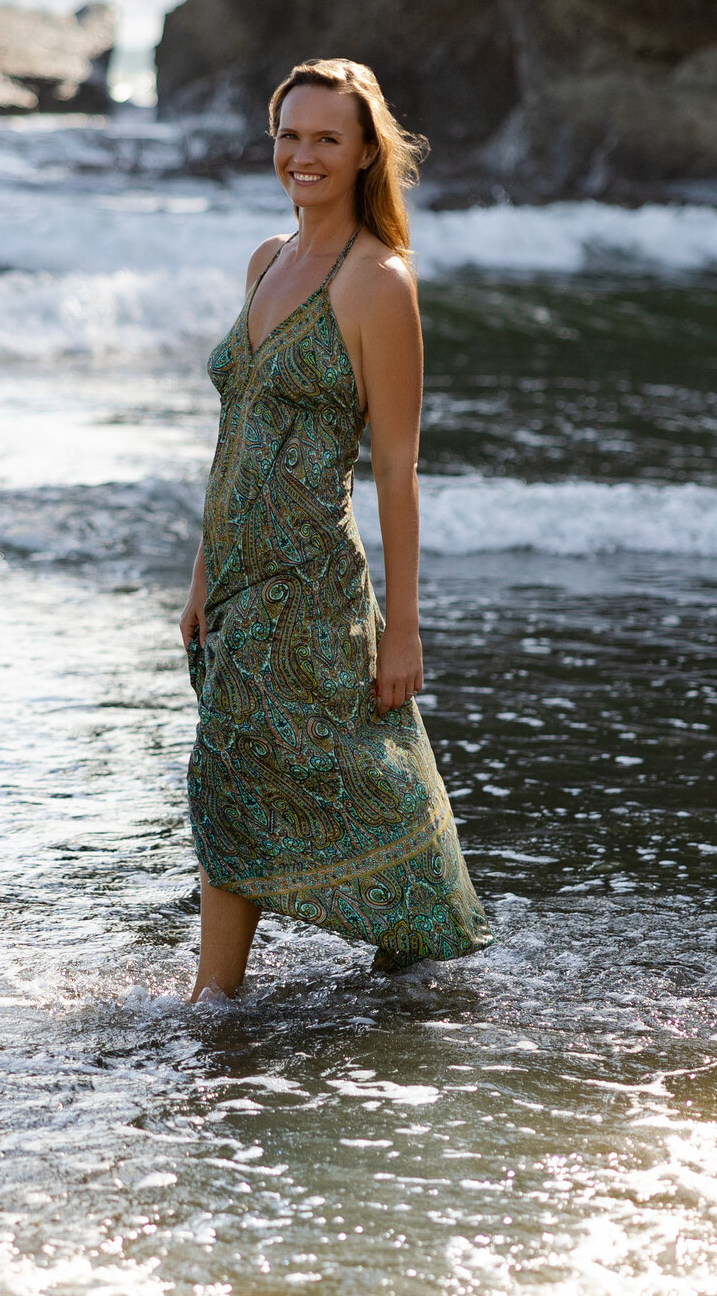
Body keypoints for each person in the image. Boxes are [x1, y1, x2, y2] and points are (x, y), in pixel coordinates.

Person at [179, 57, 489, 1001]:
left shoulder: (376, 282)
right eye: (288, 134)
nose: (301, 155)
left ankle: (214, 998)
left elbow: (397, 467)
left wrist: (404, 625)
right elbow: (237, 435)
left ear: (364, 154)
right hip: (236, 577)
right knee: (271, 772)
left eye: (325, 138)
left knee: (234, 770)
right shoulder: (266, 260)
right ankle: (401, 946)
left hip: (309, 580)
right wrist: (200, 577)